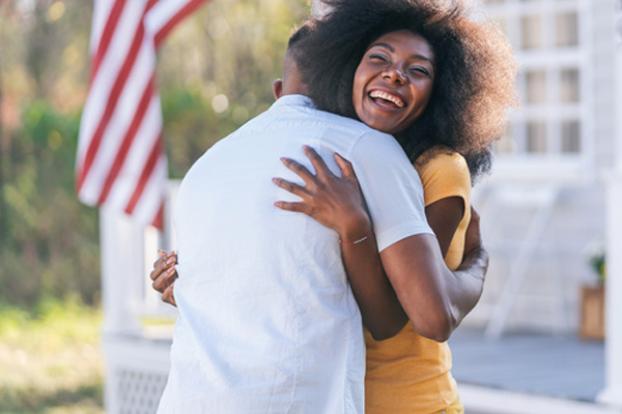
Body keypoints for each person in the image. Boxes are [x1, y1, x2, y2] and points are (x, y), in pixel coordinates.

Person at [154, 1, 514, 412]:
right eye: (378, 58)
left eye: (418, 71)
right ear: (346, 70)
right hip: (341, 394)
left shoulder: (436, 167)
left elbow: (414, 315)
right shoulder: (342, 159)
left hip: (408, 400)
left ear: (443, 91)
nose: (395, 74)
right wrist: (195, 284)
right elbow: (302, 284)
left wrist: (478, 261)